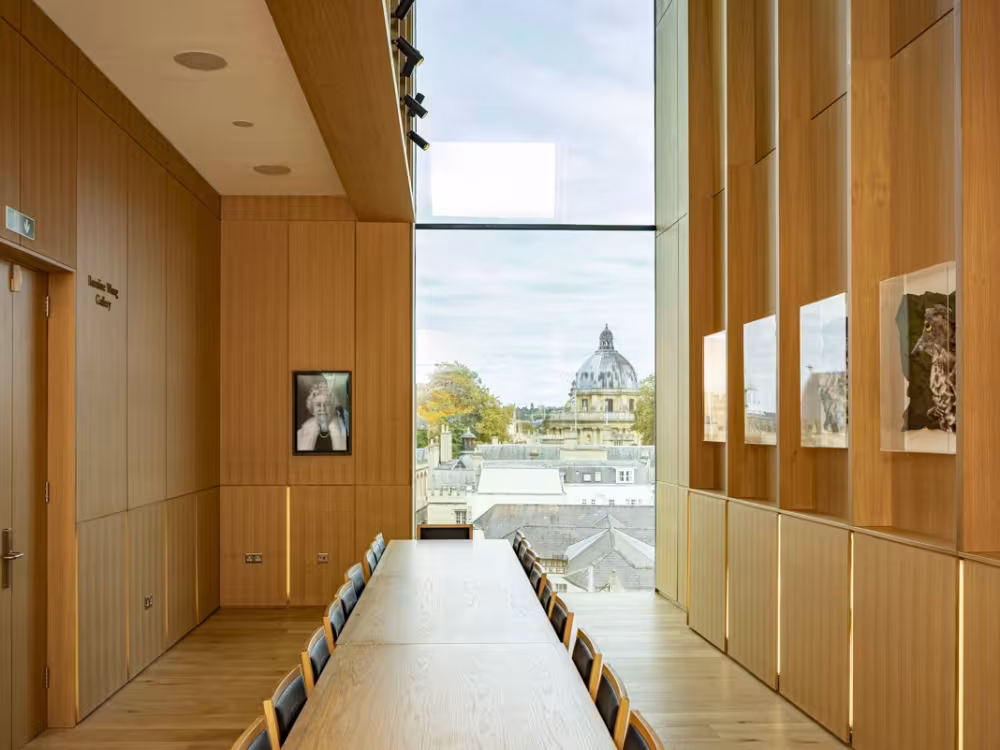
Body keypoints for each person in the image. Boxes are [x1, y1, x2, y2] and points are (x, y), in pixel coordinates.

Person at [297, 380, 348, 452]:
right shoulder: (301, 433)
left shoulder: (343, 429)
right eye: (318, 405)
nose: (322, 408)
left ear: (332, 407)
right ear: (312, 409)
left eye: (326, 404)